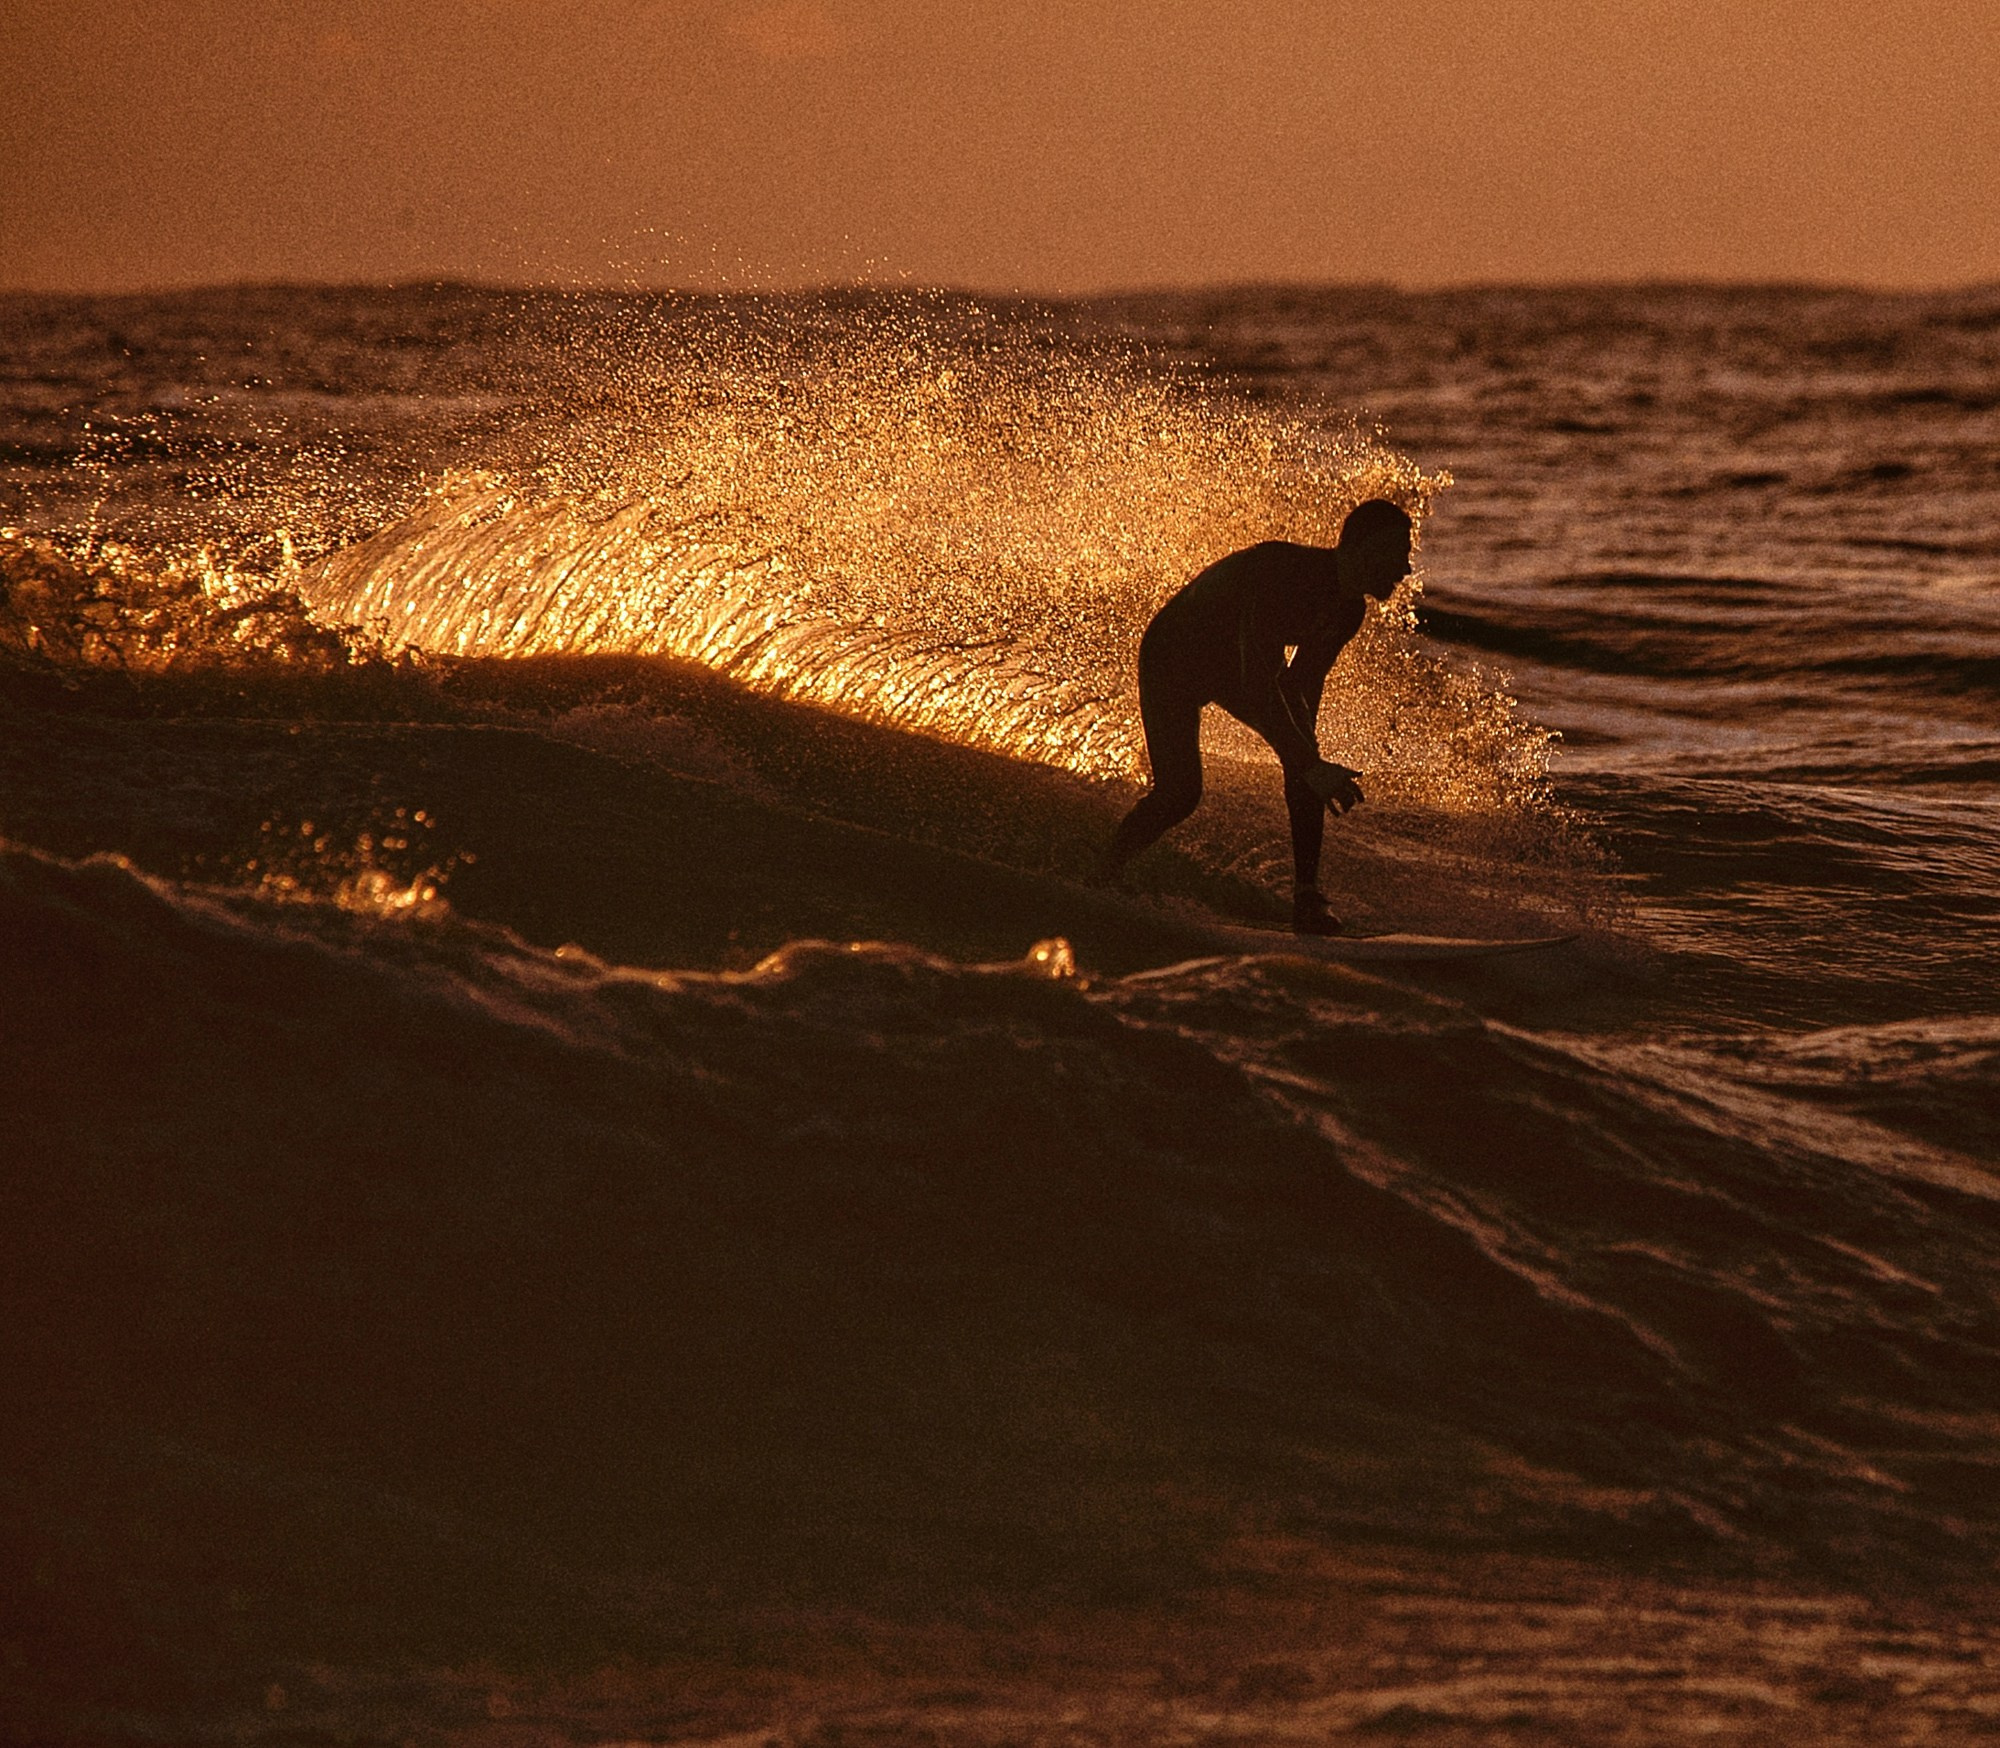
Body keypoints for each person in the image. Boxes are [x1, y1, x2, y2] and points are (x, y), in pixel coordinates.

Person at [1103, 498, 1414, 935]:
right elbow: (1256, 680)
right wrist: (1308, 763)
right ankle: (1102, 872)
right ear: (1366, 549)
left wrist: (1309, 762)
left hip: (1236, 666)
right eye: (1399, 553)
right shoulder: (1287, 574)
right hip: (1174, 654)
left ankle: (1307, 898)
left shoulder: (1348, 611)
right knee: (1180, 793)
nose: (1406, 570)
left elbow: (1301, 686)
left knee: (1305, 761)